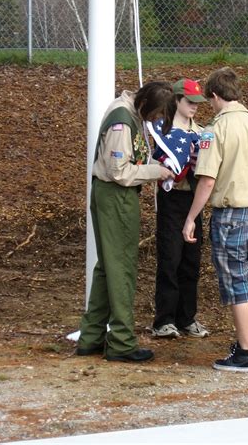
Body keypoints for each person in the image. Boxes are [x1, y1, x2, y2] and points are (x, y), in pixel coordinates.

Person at [182, 67, 248, 372]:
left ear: (214, 95)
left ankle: (246, 353)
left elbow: (208, 180)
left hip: (231, 215)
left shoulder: (215, 129)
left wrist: (191, 218)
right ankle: (245, 345)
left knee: (238, 283)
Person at [76, 81, 175, 363]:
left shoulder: (129, 111)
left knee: (108, 268)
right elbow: (119, 171)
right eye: (157, 114)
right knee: (121, 270)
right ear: (147, 104)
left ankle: (91, 336)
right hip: (116, 196)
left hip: (112, 195)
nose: (156, 120)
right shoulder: (123, 120)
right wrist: (156, 171)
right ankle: (121, 342)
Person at [149, 78, 210, 339]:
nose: (195, 107)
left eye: (198, 102)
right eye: (189, 102)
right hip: (172, 198)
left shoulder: (202, 131)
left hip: (195, 200)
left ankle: (187, 317)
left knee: (191, 260)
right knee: (170, 257)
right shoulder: (162, 131)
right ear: (176, 100)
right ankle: (164, 319)